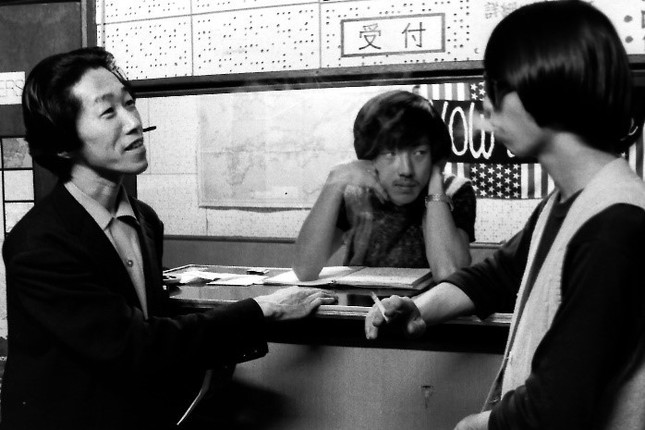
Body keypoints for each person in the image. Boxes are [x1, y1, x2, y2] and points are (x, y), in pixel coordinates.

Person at [0, 46, 337, 430]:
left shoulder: (144, 220)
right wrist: (263, 310)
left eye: (130, 103)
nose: (132, 123)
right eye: (108, 112)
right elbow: (134, 346)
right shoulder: (39, 243)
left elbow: (153, 330)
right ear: (62, 143)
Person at [365, 1, 645, 429]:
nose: (487, 108)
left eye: (496, 89)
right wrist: (419, 308)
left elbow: (555, 408)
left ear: (545, 85)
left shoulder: (613, 224)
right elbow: (497, 276)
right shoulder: (568, 203)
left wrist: (470, 426)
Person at [293, 90, 476, 281]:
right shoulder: (356, 193)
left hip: (432, 302)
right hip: (364, 301)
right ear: (370, 156)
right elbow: (304, 270)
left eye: (419, 153)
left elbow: (449, 274)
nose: (406, 170)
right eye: (390, 154)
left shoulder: (455, 190)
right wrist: (334, 181)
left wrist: (436, 180)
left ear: (434, 154)